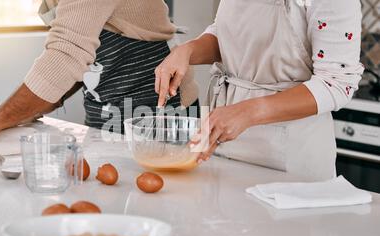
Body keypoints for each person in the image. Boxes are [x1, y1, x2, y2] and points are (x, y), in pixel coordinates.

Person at [155, 0, 364, 181]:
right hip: (223, 144)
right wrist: (188, 51)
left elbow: (337, 82)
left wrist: (248, 112)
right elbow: (228, 37)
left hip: (288, 158)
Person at [0, 0, 199, 139]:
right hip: (108, 112)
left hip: (158, 113)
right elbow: (80, 58)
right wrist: (17, 113)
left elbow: (66, 56)